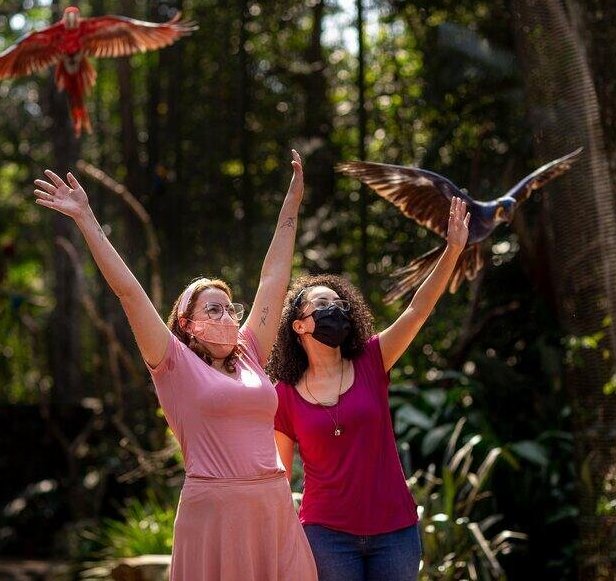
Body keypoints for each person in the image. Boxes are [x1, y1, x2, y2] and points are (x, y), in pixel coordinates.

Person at [33, 150, 317, 580]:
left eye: (229, 309)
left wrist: (291, 206)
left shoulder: (249, 353)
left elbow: (273, 278)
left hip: (272, 505)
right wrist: (87, 220)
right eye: (213, 310)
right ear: (186, 325)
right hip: (216, 515)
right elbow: (129, 292)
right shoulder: (173, 363)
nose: (226, 317)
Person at [267, 197, 471, 580]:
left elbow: (418, 309)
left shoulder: (372, 360)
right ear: (299, 326)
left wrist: (453, 250)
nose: (336, 310)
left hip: (395, 530)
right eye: (324, 305)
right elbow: (279, 475)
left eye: (341, 304)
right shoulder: (284, 394)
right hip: (326, 534)